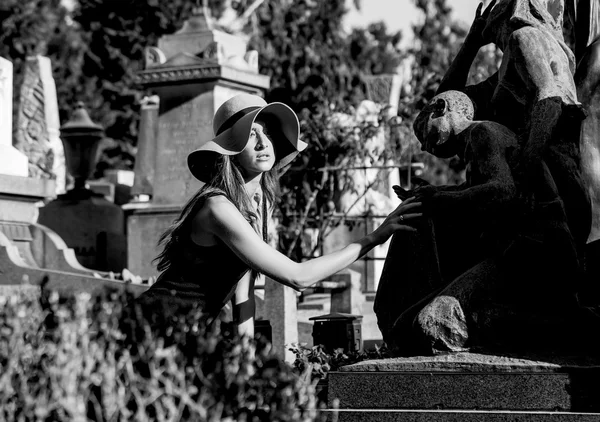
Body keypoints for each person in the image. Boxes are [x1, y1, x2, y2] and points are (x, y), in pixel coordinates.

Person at [139, 93, 422, 336]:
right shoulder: (218, 207)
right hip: (148, 329)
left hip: (181, 334)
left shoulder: (256, 201)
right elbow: (298, 277)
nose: (264, 143)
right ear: (231, 150)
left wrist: (244, 364)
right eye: (251, 135)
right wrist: (374, 237)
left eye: (268, 134)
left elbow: (242, 293)